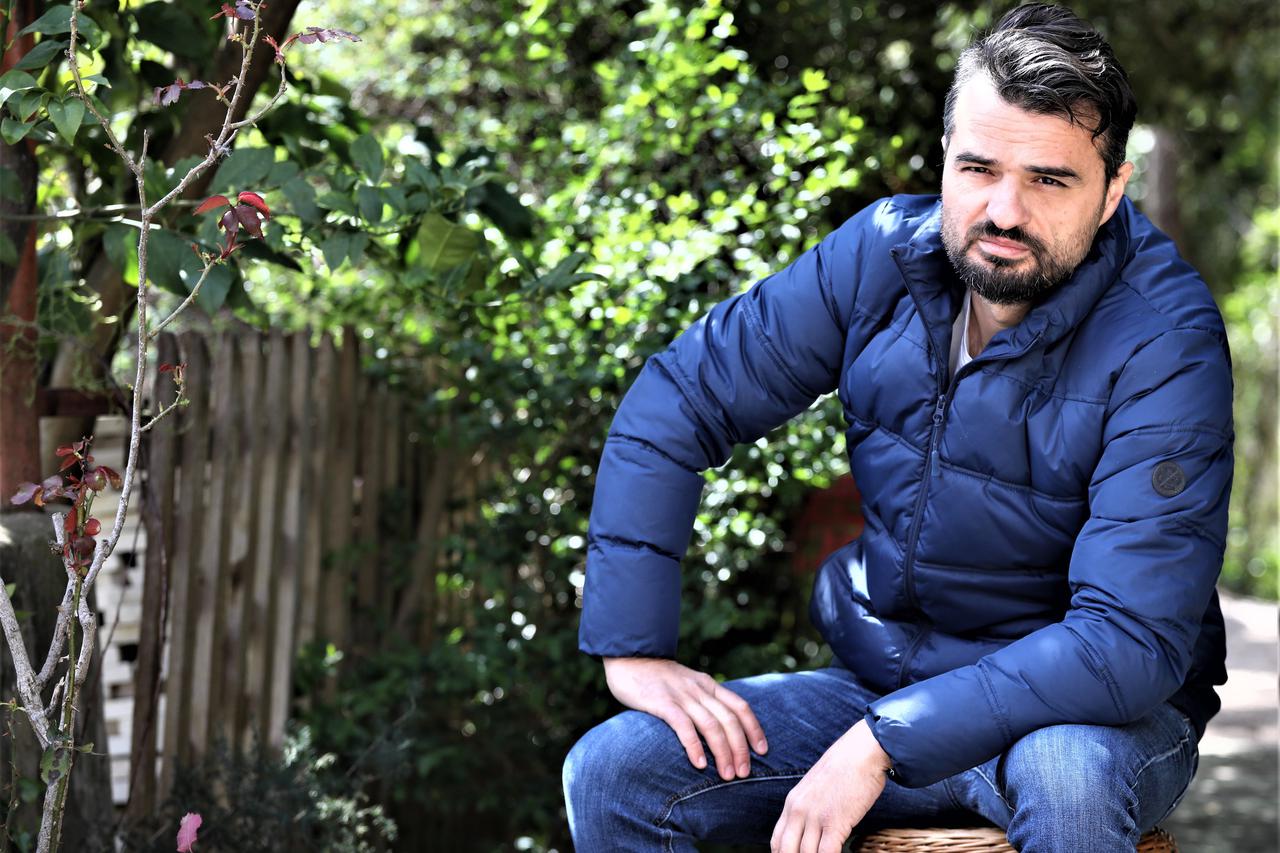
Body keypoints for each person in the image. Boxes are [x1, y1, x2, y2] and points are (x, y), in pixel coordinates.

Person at [562, 4, 1233, 852]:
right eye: (978, 168)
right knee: (614, 771)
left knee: (1068, 778)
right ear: (944, 156)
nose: (1004, 211)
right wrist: (633, 647)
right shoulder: (880, 259)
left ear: (1111, 191)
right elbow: (678, 398)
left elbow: (1126, 642)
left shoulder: (1166, 339)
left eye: (1049, 180)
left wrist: (881, 742)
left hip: (1091, 718)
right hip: (886, 679)